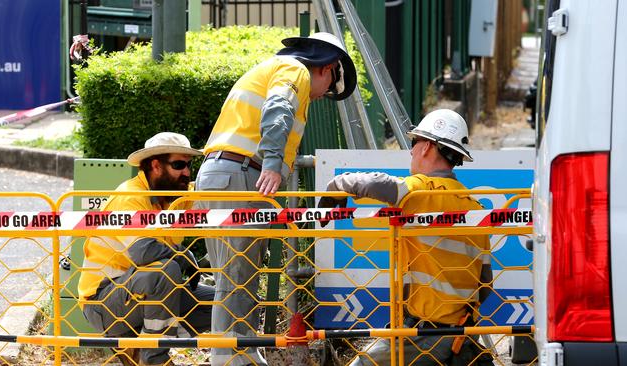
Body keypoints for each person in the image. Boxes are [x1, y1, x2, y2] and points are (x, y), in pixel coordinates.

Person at [195, 32, 358, 366]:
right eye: (327, 88)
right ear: (326, 68)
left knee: (234, 276)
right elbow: (279, 107)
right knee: (238, 277)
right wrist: (271, 164)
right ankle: (231, 359)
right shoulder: (294, 69)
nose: (321, 96)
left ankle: (239, 353)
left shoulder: (272, 67)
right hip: (241, 176)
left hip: (220, 175)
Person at [319, 109, 494, 366]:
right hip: (458, 331)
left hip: (424, 333)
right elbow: (485, 284)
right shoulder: (476, 209)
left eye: (414, 143)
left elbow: (376, 183)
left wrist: (337, 185)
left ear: (426, 147)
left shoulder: (420, 192)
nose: (411, 151)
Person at [78, 132, 214, 366]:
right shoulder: (129, 197)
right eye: (179, 165)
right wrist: (185, 255)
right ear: (155, 166)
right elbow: (144, 253)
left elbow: (216, 198)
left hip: (142, 291)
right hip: (102, 302)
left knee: (225, 302)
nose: (187, 173)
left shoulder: (174, 197)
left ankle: (140, 344)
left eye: (189, 165)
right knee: (165, 270)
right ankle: (153, 360)